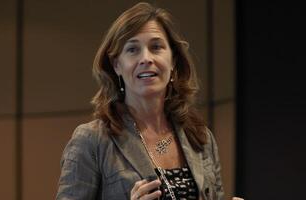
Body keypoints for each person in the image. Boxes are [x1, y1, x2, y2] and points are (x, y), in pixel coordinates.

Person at [56, 2, 224, 200]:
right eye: (133, 49)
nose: (146, 58)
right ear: (117, 65)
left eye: (156, 47)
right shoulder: (91, 141)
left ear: (173, 61)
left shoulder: (202, 138)